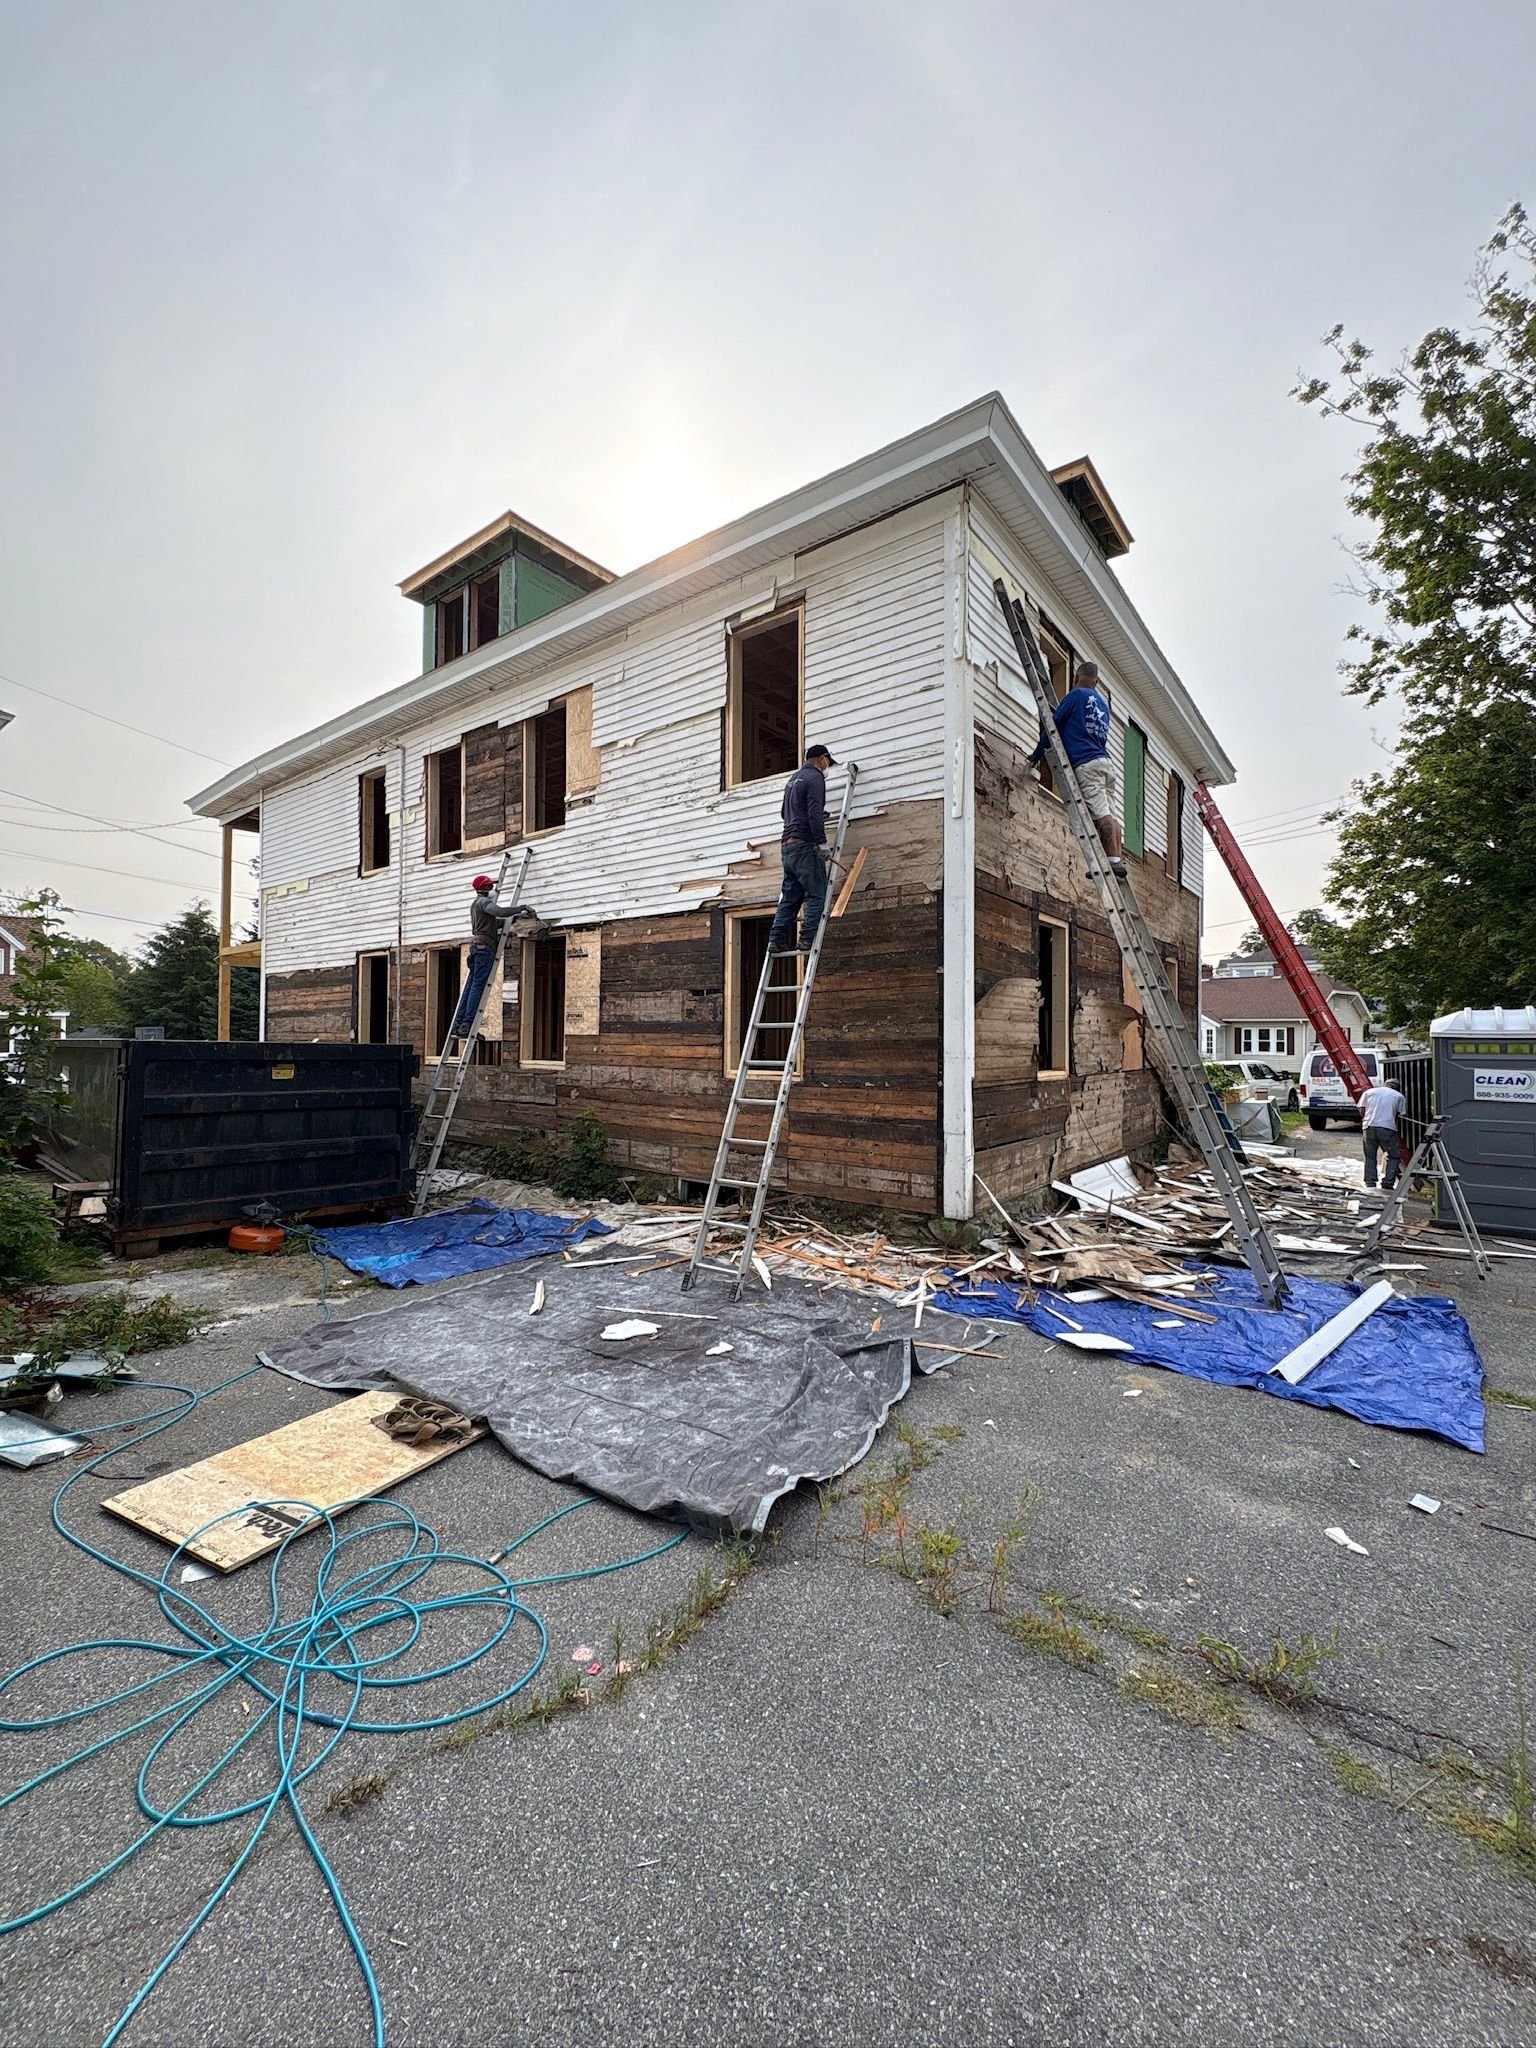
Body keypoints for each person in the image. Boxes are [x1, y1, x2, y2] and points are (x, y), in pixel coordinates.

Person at [1028, 661, 1126, 876]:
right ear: (1096, 682)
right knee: (1111, 815)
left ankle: (1112, 862)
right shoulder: (1103, 706)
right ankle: (1117, 860)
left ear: (1075, 678)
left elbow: (1052, 727)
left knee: (1101, 816)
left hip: (1087, 764)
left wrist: (1036, 756)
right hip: (1105, 764)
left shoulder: (1075, 696)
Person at [447, 875, 538, 1045]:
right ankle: (467, 1024)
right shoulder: (484, 902)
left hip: (477, 947)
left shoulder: (476, 905)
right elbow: (499, 912)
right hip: (484, 949)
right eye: (490, 887)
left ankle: (459, 1025)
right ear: (484, 888)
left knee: (471, 987)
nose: (492, 890)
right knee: (477, 987)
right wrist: (521, 908)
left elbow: (494, 923)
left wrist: (514, 919)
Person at [767, 744, 837, 954]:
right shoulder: (815, 778)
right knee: (816, 894)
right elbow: (814, 811)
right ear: (821, 758)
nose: (827, 767)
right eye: (827, 762)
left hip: (787, 847)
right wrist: (821, 842)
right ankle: (806, 940)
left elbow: (785, 813)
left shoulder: (793, 780)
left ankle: (775, 940)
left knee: (790, 897)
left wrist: (811, 817)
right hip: (805, 845)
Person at [1358, 1077, 1408, 1192]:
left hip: (1368, 1126)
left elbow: (1362, 1111)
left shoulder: (1369, 1092)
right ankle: (1388, 1183)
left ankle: (1370, 1182)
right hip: (1387, 1127)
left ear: (1385, 1084)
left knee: (1370, 1155)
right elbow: (1400, 1114)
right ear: (1397, 1088)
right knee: (1394, 1155)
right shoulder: (1399, 1096)